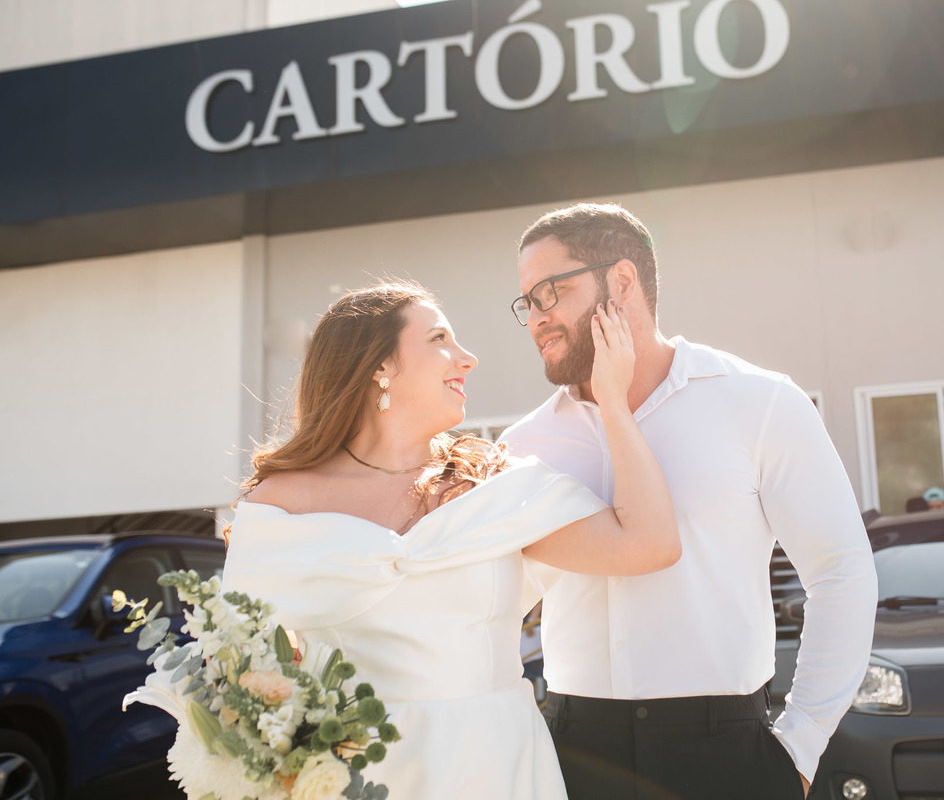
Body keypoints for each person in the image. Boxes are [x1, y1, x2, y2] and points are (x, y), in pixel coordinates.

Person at [221, 281, 681, 800]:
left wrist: (613, 403)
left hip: (496, 769)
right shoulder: (278, 506)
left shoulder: (495, 486)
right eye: (439, 338)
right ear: (380, 363)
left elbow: (649, 544)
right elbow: (239, 675)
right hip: (352, 777)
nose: (468, 358)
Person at [500, 203, 878, 800]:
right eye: (528, 301)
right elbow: (494, 608)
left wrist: (802, 743)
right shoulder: (525, 444)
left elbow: (842, 573)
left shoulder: (759, 403)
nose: (537, 319)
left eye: (553, 292)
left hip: (728, 756)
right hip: (573, 757)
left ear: (622, 281)